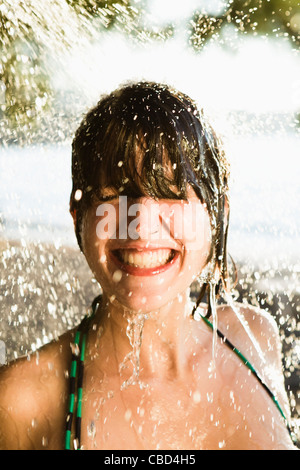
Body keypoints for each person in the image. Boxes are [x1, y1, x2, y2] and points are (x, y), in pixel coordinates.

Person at [0, 81, 296, 450]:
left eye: (172, 193)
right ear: (80, 217)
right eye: (116, 196)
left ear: (217, 216)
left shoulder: (255, 338)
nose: (141, 225)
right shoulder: (22, 398)